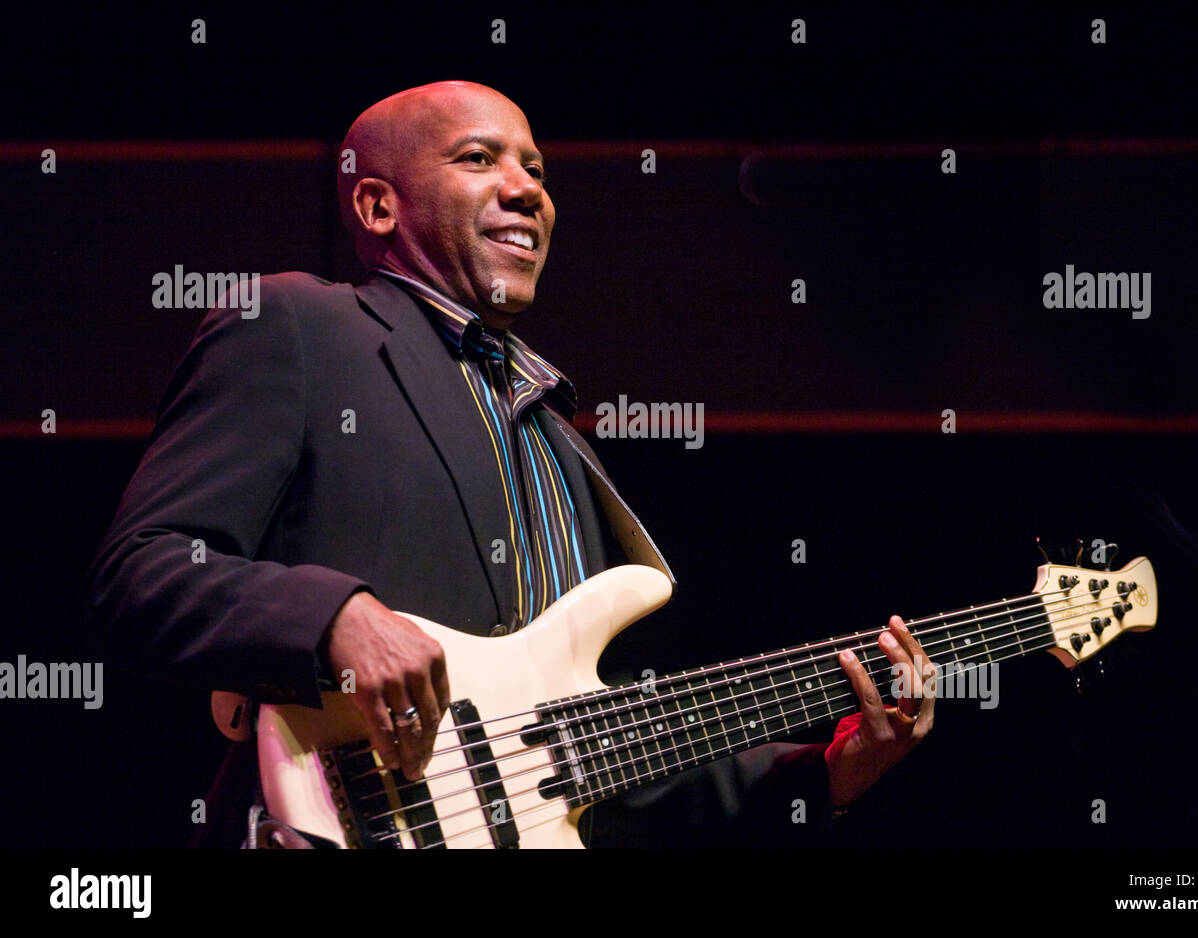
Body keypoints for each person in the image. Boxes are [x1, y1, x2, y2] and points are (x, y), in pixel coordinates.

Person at [78, 80, 935, 848]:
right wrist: (336, 618)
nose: (529, 190)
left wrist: (824, 773)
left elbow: (574, 758)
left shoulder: (558, 442)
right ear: (378, 206)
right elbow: (140, 572)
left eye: (536, 168)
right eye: (479, 159)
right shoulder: (298, 327)